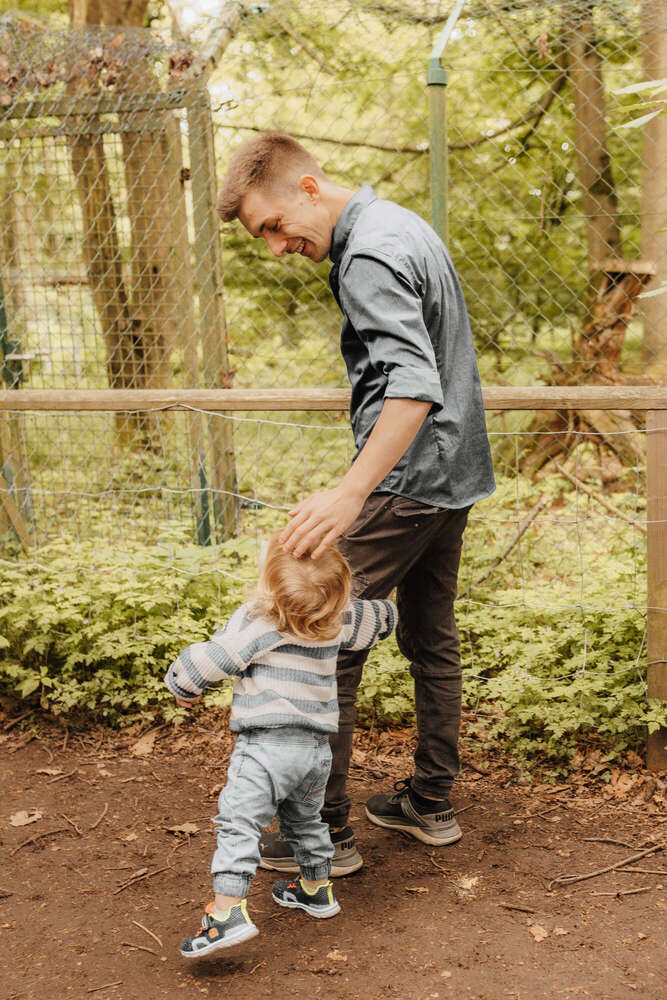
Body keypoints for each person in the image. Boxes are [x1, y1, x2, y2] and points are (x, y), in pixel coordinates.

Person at [216, 133, 495, 876]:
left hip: (405, 480)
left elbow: (411, 385)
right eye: (262, 239)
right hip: (452, 472)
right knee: (430, 637)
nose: (276, 248)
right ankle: (428, 803)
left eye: (272, 226)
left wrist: (350, 492)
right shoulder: (399, 223)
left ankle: (324, 834)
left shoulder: (367, 253)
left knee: (320, 641)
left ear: (308, 187)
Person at [164, 531, 396, 958]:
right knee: (306, 822)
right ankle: (315, 889)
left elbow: (212, 659)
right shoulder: (339, 617)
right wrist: (387, 610)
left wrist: (182, 681)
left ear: (269, 584)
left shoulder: (258, 622)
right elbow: (381, 618)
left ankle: (226, 914)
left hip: (264, 749)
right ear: (340, 587)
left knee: (239, 825)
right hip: (314, 752)